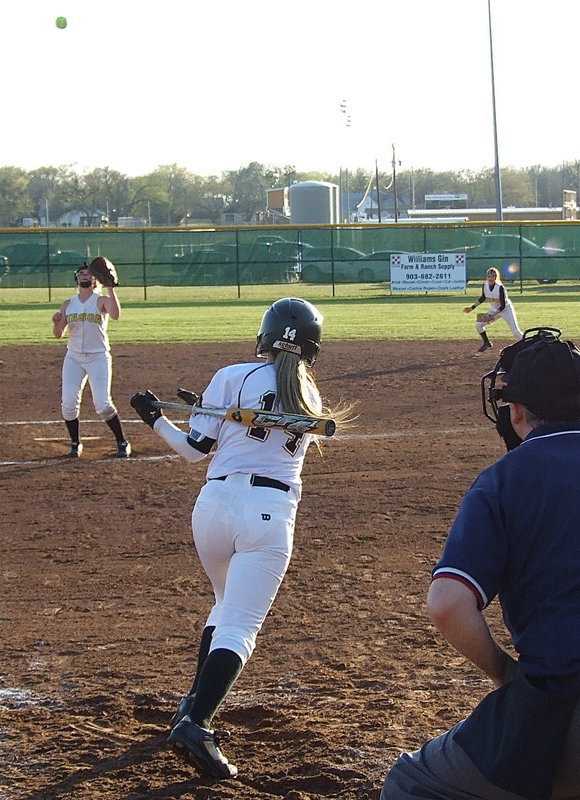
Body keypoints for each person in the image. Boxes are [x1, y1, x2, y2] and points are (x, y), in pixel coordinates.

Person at [130, 297, 350, 781]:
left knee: (225, 605)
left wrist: (156, 418)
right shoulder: (308, 395)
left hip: (211, 509)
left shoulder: (233, 375)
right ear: (313, 348)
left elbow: (195, 450)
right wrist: (207, 410)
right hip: (268, 514)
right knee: (241, 625)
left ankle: (192, 701)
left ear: (264, 335)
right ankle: (197, 722)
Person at [380, 326, 580, 800]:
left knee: (411, 785)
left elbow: (447, 605)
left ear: (514, 412)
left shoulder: (505, 480)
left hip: (564, 711)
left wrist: (502, 673)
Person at [51, 263, 131, 458]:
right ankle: (75, 443)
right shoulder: (69, 304)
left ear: (95, 279)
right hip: (74, 358)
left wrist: (111, 288)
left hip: (98, 357)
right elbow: (59, 334)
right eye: (81, 273)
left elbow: (116, 315)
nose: (84, 276)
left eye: (88, 273)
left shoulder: (101, 300)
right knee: (68, 405)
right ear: (76, 278)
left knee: (103, 404)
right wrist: (56, 323)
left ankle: (122, 441)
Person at [463, 267, 523, 353]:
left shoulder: (500, 288)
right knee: (478, 325)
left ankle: (528, 345)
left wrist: (492, 316)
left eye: (493, 276)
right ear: (487, 277)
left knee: (515, 332)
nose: (490, 278)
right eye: (489, 276)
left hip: (506, 310)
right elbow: (482, 298)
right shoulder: (485, 286)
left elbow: (502, 306)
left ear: (496, 277)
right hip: (494, 311)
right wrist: (472, 307)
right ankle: (487, 343)